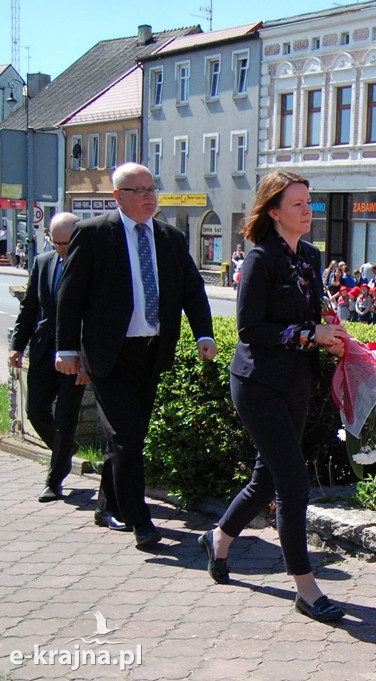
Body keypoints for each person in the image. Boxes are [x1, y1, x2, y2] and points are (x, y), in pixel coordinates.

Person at [199, 170, 348, 623]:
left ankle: (219, 540)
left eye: (309, 201)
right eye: (298, 204)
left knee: (267, 476)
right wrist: (310, 333)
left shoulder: (310, 256)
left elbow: (310, 314)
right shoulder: (259, 260)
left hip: (295, 382)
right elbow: (251, 330)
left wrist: (331, 336)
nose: (308, 210)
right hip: (257, 383)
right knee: (293, 482)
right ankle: (306, 588)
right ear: (274, 211)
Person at [54, 162, 217, 550]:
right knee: (128, 436)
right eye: (138, 190)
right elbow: (70, 295)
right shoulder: (93, 234)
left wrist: (204, 334)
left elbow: (192, 289)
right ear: (118, 197)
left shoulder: (170, 238)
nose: (149, 196)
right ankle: (139, 520)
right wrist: (66, 349)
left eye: (151, 188)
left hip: (152, 352)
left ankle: (106, 503)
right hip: (110, 354)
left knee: (129, 436)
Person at [9, 213, 93, 504]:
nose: (61, 249)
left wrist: (86, 359)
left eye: (66, 243)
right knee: (36, 411)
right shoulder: (43, 263)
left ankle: (54, 480)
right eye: (55, 243)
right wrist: (17, 346)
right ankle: (65, 449)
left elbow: (97, 319)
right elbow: (30, 307)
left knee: (66, 418)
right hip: (45, 350)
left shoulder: (93, 265)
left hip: (76, 356)